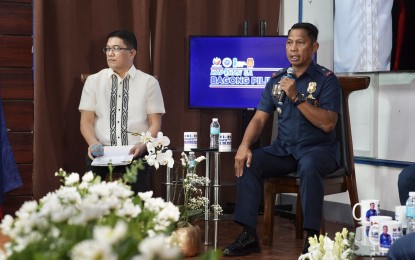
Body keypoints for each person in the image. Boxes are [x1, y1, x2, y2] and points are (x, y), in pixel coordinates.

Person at [222, 22, 341, 256]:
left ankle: (313, 239)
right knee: (250, 161)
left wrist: (296, 97)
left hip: (319, 151)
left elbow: (328, 123)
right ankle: (248, 235)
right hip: (284, 150)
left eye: (300, 42)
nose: (293, 49)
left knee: (308, 165)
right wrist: (244, 146)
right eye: (289, 42)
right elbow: (259, 119)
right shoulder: (277, 80)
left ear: (314, 46)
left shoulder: (327, 80)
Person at [78, 30, 165, 193]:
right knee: (89, 197)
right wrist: (92, 143)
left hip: (135, 152)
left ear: (132, 53)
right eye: (107, 49)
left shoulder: (149, 83)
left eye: (116, 48)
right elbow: (86, 121)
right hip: (101, 151)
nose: (110, 53)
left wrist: (143, 146)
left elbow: (155, 123)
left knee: (138, 199)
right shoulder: (93, 81)